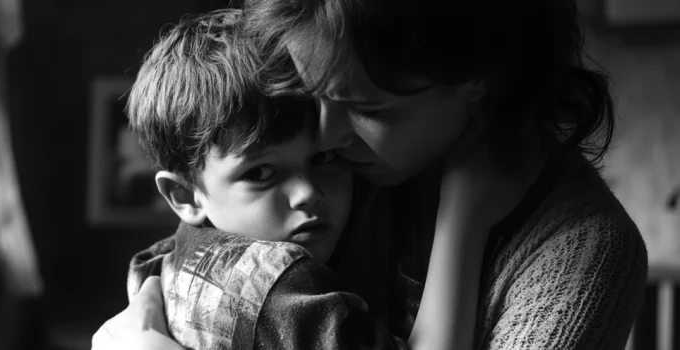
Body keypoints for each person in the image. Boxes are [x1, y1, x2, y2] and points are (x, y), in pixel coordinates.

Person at [93, 0, 648, 349]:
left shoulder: (579, 252)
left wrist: (463, 219)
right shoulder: (328, 197)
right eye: (317, 93)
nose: (328, 137)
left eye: (366, 108)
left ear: (479, 76)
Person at [101, 9, 487, 350]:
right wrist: (464, 212)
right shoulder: (280, 288)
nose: (307, 193)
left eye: (324, 158)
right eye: (261, 173)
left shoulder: (165, 259)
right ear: (184, 196)